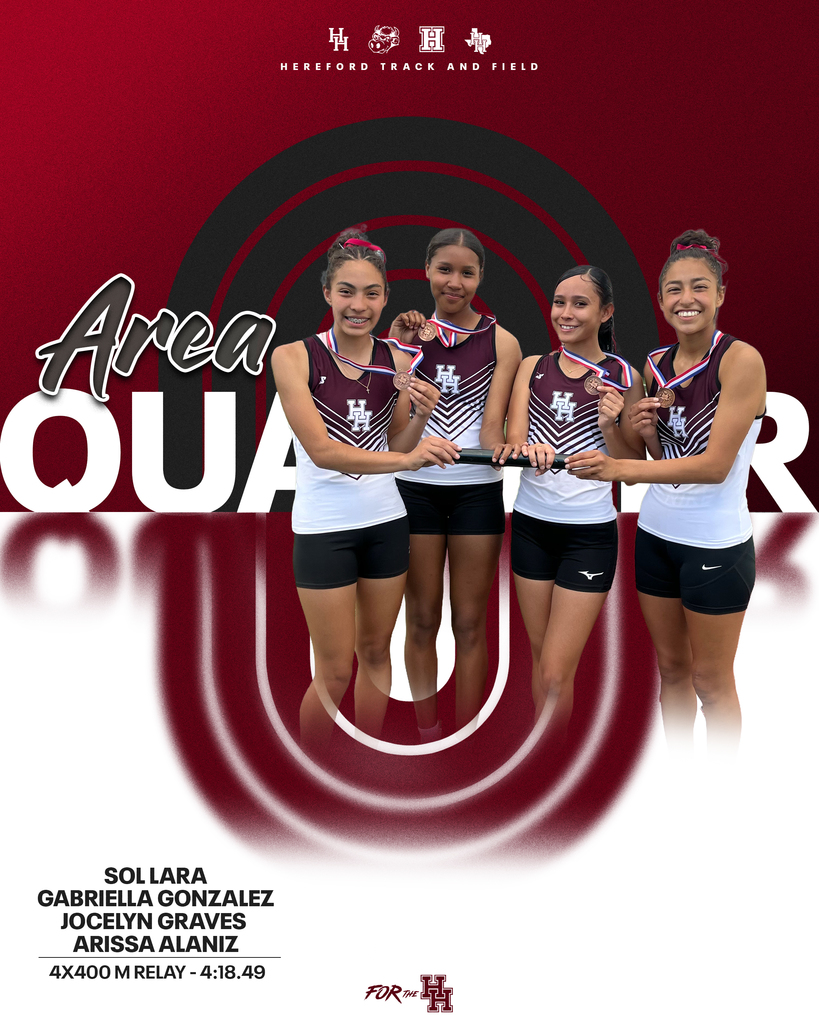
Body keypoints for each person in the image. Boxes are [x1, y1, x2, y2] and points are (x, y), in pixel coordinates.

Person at [565, 231, 766, 753]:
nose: (687, 299)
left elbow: (716, 467)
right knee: (672, 673)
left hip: (716, 545)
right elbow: (646, 466)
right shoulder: (653, 366)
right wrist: (635, 431)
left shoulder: (741, 361)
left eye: (700, 287)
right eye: (674, 289)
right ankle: (679, 791)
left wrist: (616, 465)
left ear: (721, 294)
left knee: (711, 684)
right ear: (660, 301)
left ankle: (723, 799)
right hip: (655, 537)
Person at [271, 230, 460, 752]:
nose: (360, 305)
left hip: (384, 523)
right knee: (333, 672)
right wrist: (408, 459)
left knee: (377, 653)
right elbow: (324, 452)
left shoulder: (398, 360)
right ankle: (307, 774)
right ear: (328, 293)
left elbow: (398, 437)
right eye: (348, 291)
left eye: (372, 293)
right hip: (324, 529)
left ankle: (364, 764)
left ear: (385, 298)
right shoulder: (294, 357)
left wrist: (422, 412)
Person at [388, 229, 522, 738]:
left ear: (481, 277)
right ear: (425, 270)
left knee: (468, 624)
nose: (455, 282)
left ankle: (468, 739)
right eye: (445, 269)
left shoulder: (502, 341)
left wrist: (485, 451)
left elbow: (491, 430)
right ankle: (427, 733)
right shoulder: (406, 339)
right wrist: (401, 347)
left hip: (475, 492)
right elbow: (393, 419)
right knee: (421, 621)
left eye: (467, 272)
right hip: (414, 489)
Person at [505, 266, 645, 738]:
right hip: (530, 525)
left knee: (555, 672)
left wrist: (609, 427)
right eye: (559, 301)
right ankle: (540, 765)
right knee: (540, 654)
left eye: (579, 303)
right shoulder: (532, 366)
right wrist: (529, 452)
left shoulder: (624, 376)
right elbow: (514, 442)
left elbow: (631, 461)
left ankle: (551, 767)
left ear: (605, 312)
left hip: (588, 534)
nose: (565, 313)